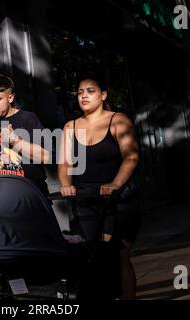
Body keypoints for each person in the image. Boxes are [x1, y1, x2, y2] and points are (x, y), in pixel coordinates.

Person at [58, 76, 140, 300]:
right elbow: (65, 164)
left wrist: (114, 184)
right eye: (80, 92)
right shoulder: (70, 126)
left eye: (90, 91)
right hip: (87, 200)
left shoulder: (118, 121)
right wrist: (66, 185)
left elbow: (131, 157)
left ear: (103, 95)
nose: (83, 95)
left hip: (119, 199)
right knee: (92, 255)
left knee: (120, 255)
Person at [0, 74, 51, 281]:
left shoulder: (28, 119)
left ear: (10, 97)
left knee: (30, 260)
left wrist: (15, 141)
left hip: (29, 202)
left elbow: (46, 155)